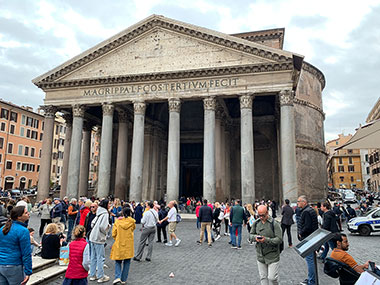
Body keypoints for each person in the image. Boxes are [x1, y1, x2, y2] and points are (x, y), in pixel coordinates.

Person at [250, 205, 282, 285]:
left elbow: (279, 239)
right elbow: (250, 235)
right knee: (263, 277)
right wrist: (255, 238)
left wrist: (266, 240)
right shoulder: (256, 223)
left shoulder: (274, 224)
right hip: (260, 254)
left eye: (263, 215)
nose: (261, 217)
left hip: (273, 255)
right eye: (259, 215)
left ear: (267, 213)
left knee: (272, 278)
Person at [0, 206, 32, 285]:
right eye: (25, 212)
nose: (28, 213)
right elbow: (26, 253)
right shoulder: (23, 231)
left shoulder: (2, 228)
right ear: (19, 217)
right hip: (14, 265)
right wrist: (28, 271)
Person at [297, 195, 319, 285]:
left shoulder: (306, 212)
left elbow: (307, 226)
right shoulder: (311, 210)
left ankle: (311, 281)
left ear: (304, 202)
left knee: (310, 261)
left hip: (308, 238)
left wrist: (301, 233)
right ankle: (311, 279)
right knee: (311, 260)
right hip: (312, 237)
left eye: (299, 201)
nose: (297, 203)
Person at [110, 207, 135, 284]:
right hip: (128, 244)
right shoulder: (132, 222)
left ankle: (118, 277)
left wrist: (117, 238)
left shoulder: (117, 222)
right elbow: (133, 229)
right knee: (127, 262)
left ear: (123, 213)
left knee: (118, 261)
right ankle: (123, 279)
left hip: (119, 242)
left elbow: (113, 234)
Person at [89, 199, 111, 283]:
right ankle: (101, 276)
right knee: (100, 257)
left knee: (93, 257)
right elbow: (103, 226)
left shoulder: (98, 212)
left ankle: (92, 275)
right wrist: (106, 230)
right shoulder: (105, 213)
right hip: (99, 237)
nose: (110, 205)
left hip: (92, 236)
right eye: (109, 203)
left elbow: (92, 223)